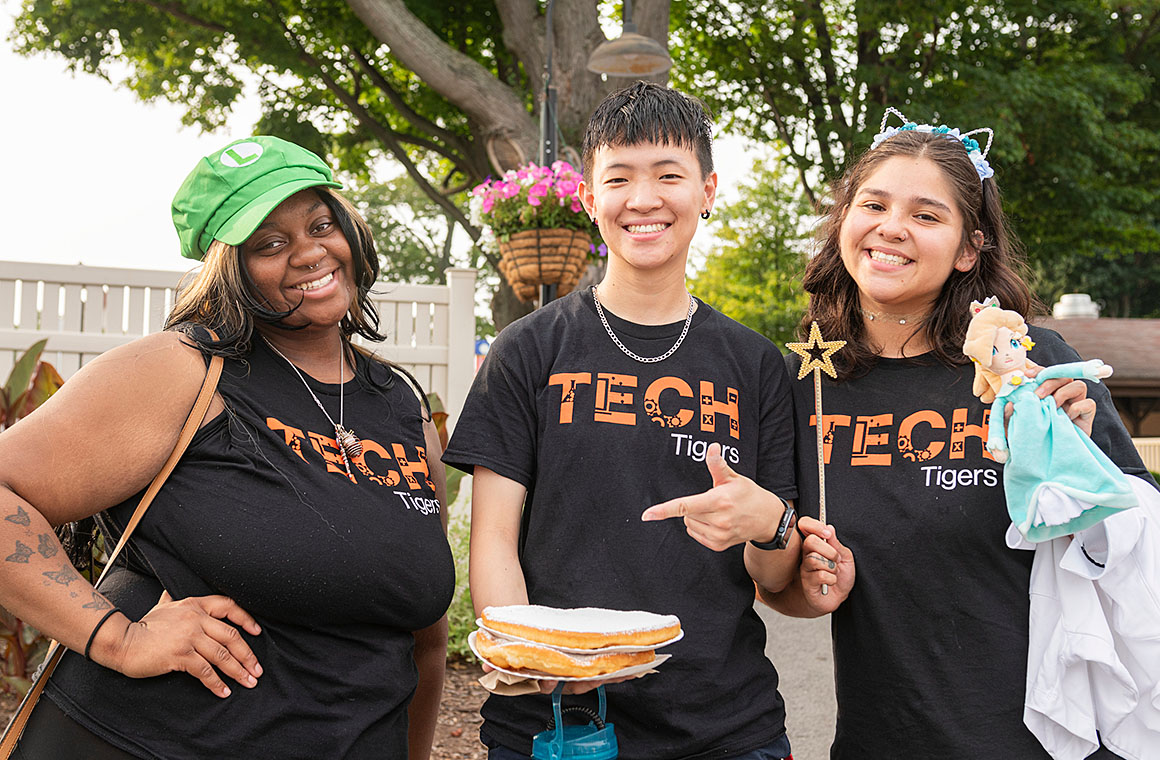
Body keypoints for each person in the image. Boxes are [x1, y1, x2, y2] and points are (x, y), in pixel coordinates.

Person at [0, 136, 454, 759]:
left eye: (321, 223)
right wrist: (119, 640)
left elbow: (421, 636)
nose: (309, 252)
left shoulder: (402, 409)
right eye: (269, 243)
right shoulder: (183, 371)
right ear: (230, 269)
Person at [764, 109, 1159, 758]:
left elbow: (1140, 551)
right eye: (874, 204)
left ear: (969, 248)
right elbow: (777, 584)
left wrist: (1082, 467)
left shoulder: (1034, 363)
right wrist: (806, 584)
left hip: (1047, 744)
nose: (892, 227)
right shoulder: (803, 383)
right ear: (845, 220)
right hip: (877, 742)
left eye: (926, 215)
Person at [443, 81, 802, 759]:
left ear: (708, 190)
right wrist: (528, 657)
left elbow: (776, 575)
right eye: (619, 178)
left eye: (669, 175)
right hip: (552, 725)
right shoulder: (528, 350)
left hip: (723, 730)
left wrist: (768, 522)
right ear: (588, 197)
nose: (644, 200)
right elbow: (493, 538)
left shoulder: (757, 366)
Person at [962, 298, 1136, 541]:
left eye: (1013, 343)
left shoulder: (1046, 354)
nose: (1008, 354)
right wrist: (998, 443)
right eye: (994, 350)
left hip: (1060, 433)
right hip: (1024, 451)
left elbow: (1140, 515)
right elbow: (997, 417)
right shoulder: (1003, 395)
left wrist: (1088, 371)